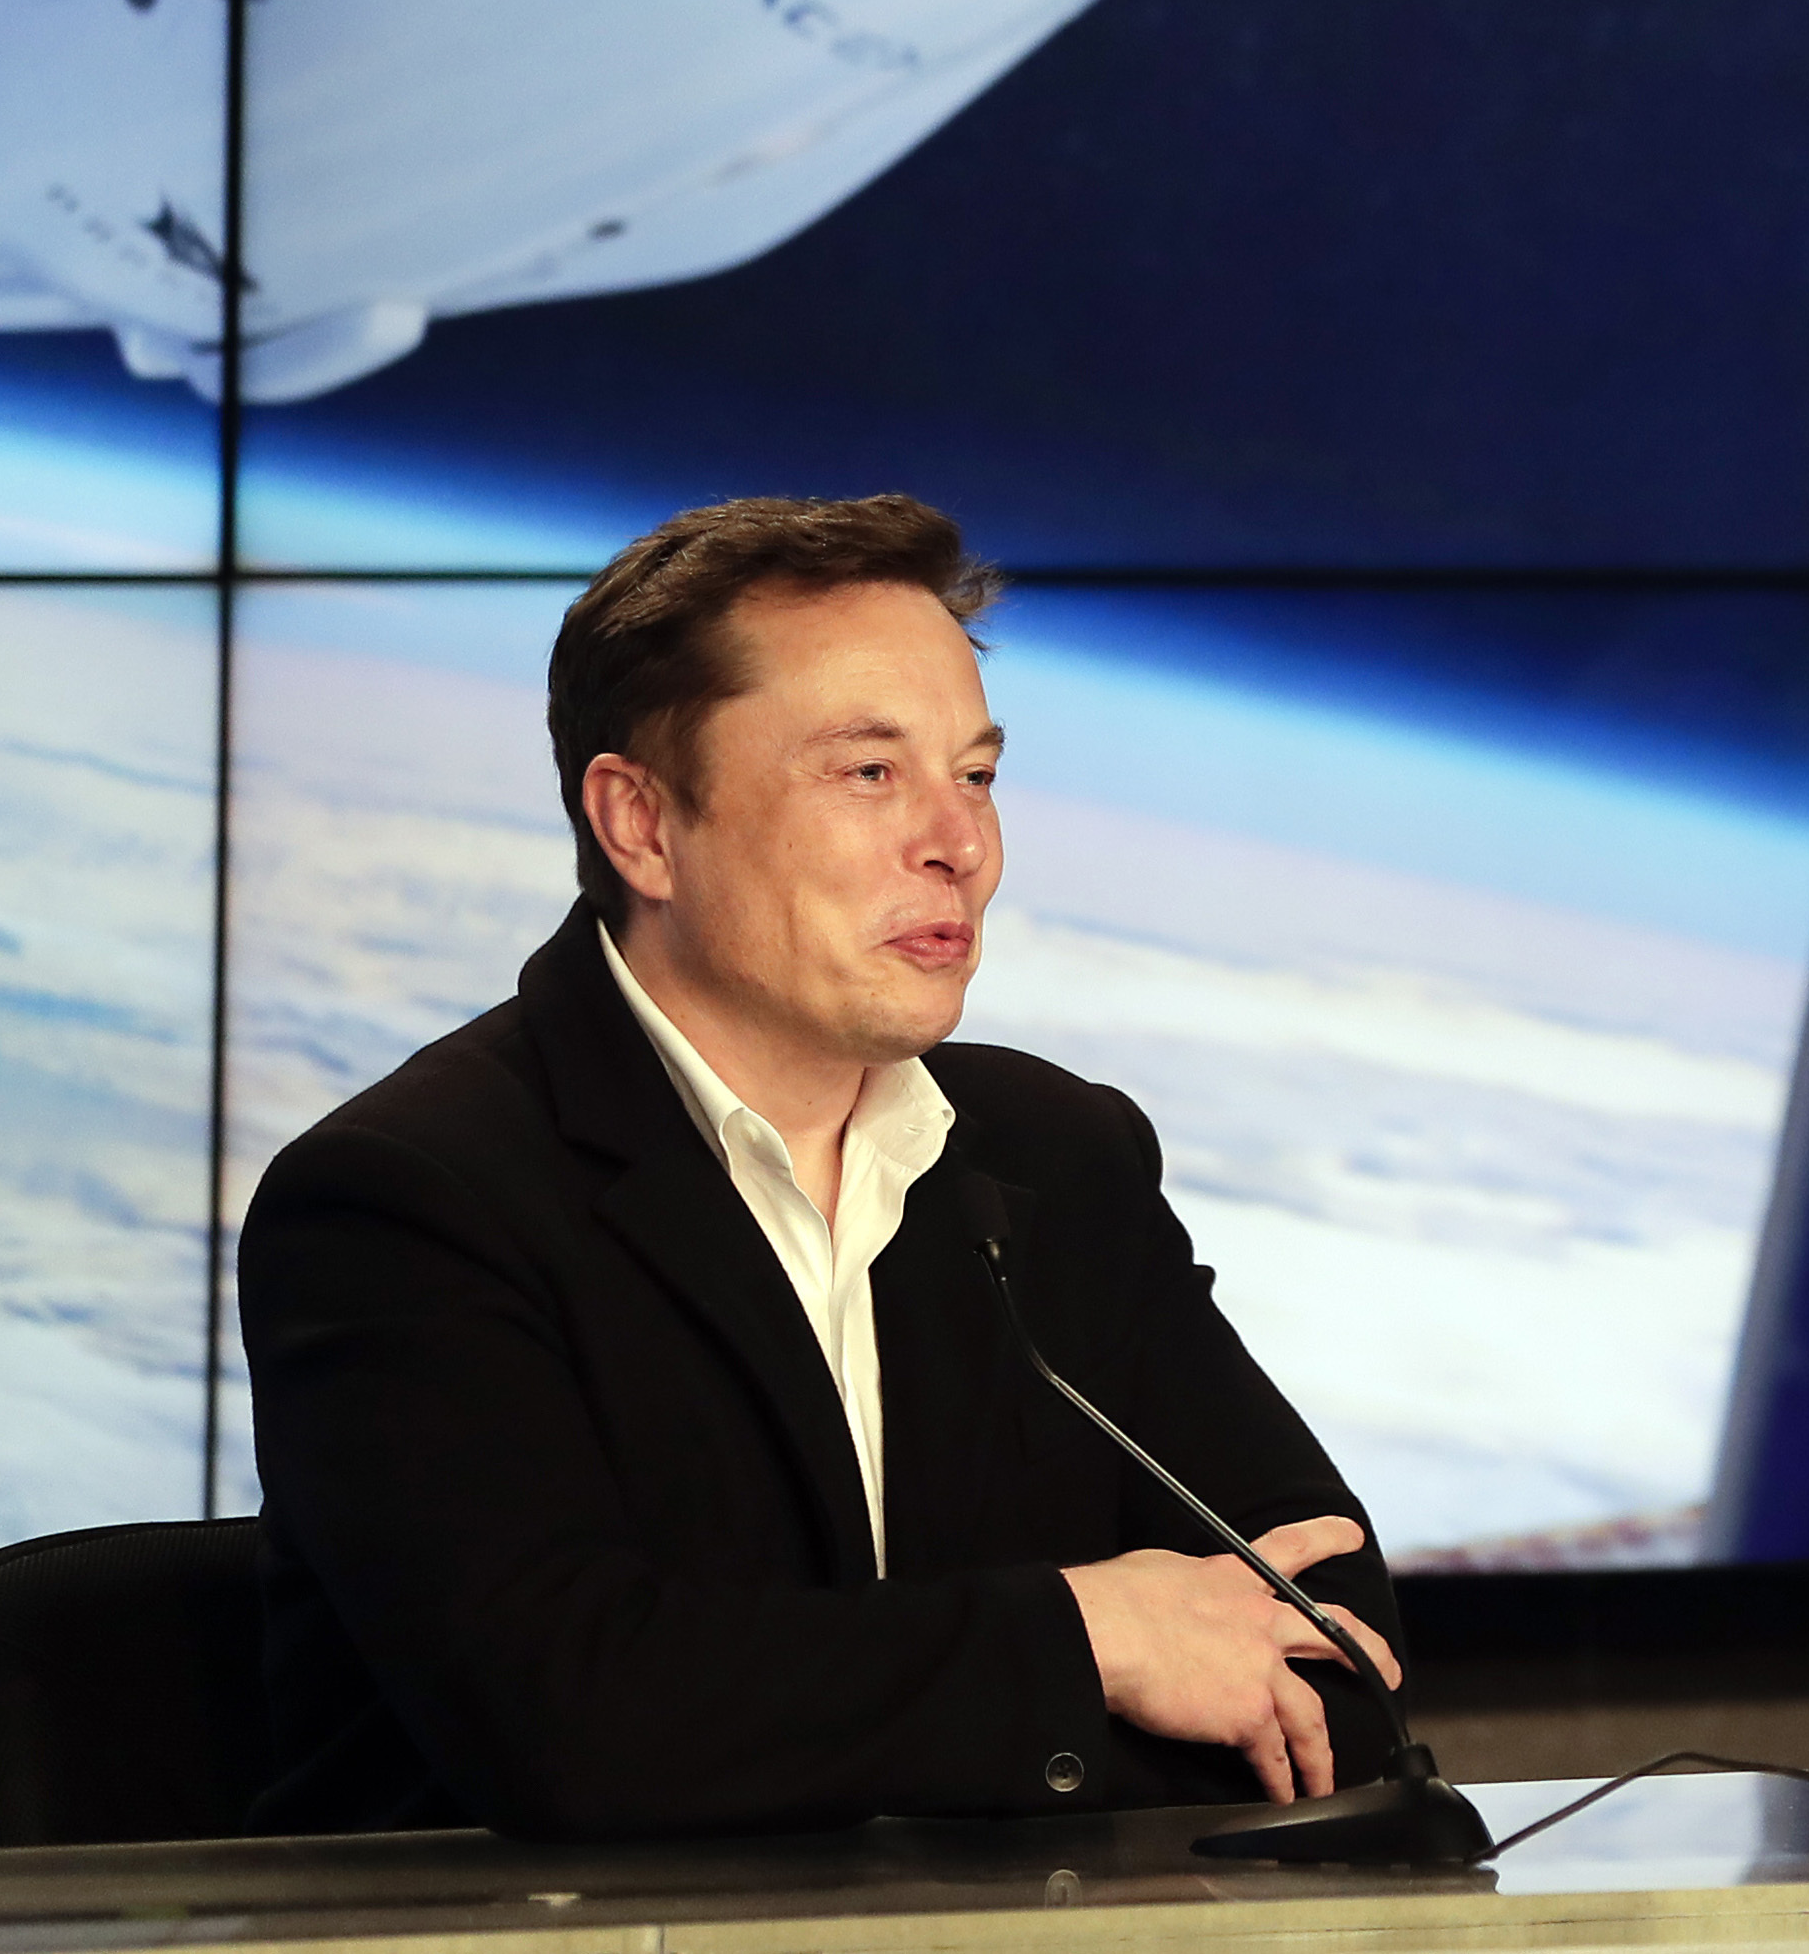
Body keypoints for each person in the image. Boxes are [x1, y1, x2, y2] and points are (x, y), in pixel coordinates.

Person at [241, 495, 1405, 1838]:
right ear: (642, 823)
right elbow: (575, 1725)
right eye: (870, 772)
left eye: (975, 773)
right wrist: (1090, 1640)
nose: (959, 843)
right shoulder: (411, 1197)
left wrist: (832, 1721)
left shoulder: (1054, 1157)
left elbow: (1340, 1653)